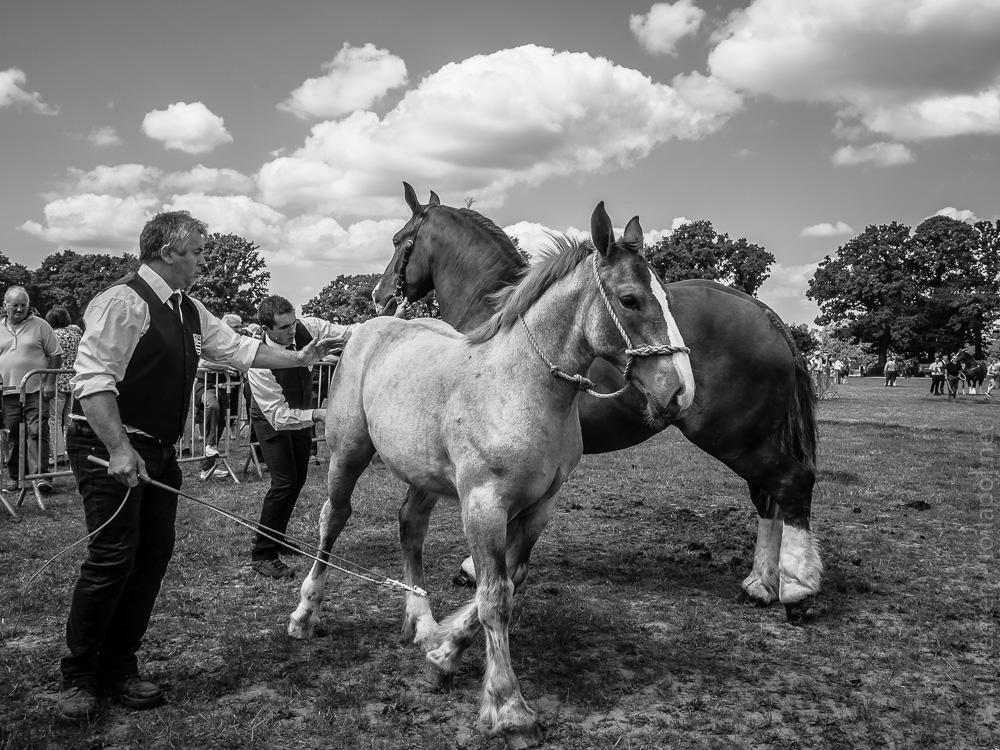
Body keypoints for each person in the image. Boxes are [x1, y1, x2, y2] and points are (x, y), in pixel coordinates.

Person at [57, 211, 346, 722]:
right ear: (167, 252)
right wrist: (121, 449)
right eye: (196, 252)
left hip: (159, 451)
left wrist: (300, 359)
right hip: (109, 445)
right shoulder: (123, 301)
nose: (202, 262)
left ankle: (121, 666)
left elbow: (239, 349)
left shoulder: (189, 309)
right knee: (112, 557)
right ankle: (79, 677)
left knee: (151, 557)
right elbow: (93, 381)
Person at [245, 296, 351, 579]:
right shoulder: (258, 362)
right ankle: (263, 553)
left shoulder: (310, 327)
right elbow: (278, 415)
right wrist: (317, 414)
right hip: (272, 419)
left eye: (293, 323)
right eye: (284, 327)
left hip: (302, 413)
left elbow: (350, 331)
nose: (292, 331)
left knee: (298, 478)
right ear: (266, 328)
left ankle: (277, 538)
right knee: (284, 482)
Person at [0, 286, 63, 494]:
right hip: (8, 392)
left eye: (23, 305)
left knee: (36, 431)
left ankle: (40, 477)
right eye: (15, 305)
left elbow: (55, 354)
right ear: (5, 305)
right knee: (12, 434)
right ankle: (16, 478)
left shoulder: (41, 325)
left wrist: (49, 382)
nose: (20, 309)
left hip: (35, 389)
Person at [195, 312, 243, 481]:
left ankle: (207, 468)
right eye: (236, 327)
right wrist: (221, 366)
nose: (240, 330)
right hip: (205, 385)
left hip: (224, 388)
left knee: (220, 425)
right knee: (213, 406)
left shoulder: (235, 343)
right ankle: (209, 445)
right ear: (226, 326)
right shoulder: (211, 338)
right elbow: (200, 363)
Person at [45, 307, 81, 470]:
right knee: (69, 420)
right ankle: (68, 452)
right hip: (73, 379)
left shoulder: (53, 335)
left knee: (54, 419)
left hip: (57, 380)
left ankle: (58, 454)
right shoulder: (76, 335)